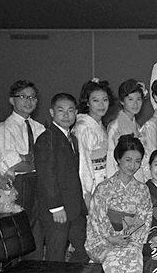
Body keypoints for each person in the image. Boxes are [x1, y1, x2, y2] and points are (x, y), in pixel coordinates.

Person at [86, 134, 152, 273]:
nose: (132, 165)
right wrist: (110, 238)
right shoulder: (104, 188)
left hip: (130, 238)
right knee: (114, 256)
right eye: (128, 160)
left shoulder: (142, 189)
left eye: (137, 161)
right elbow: (96, 219)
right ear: (118, 159)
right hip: (104, 239)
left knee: (132, 255)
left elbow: (145, 217)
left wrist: (129, 237)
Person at [34, 93, 88, 263]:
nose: (66, 115)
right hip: (57, 209)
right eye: (61, 110)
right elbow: (46, 175)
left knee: (85, 249)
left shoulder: (72, 138)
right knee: (56, 254)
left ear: (76, 113)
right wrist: (56, 207)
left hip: (74, 208)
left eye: (70, 110)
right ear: (51, 112)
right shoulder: (47, 138)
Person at [0, 80, 45, 213]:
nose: (28, 101)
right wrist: (34, 162)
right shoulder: (4, 129)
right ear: (11, 100)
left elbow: (48, 158)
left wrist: (26, 159)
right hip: (15, 187)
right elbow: (14, 164)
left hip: (40, 184)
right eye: (22, 96)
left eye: (32, 97)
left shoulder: (40, 128)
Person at [73, 79, 113, 209]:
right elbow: (83, 162)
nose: (101, 105)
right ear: (87, 102)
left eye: (105, 100)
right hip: (91, 185)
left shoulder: (101, 126)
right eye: (96, 100)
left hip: (103, 182)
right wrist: (87, 192)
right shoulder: (82, 127)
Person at [106, 79, 144, 179]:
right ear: (122, 101)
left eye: (139, 99)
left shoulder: (137, 125)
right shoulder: (116, 126)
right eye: (130, 99)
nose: (135, 104)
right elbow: (111, 159)